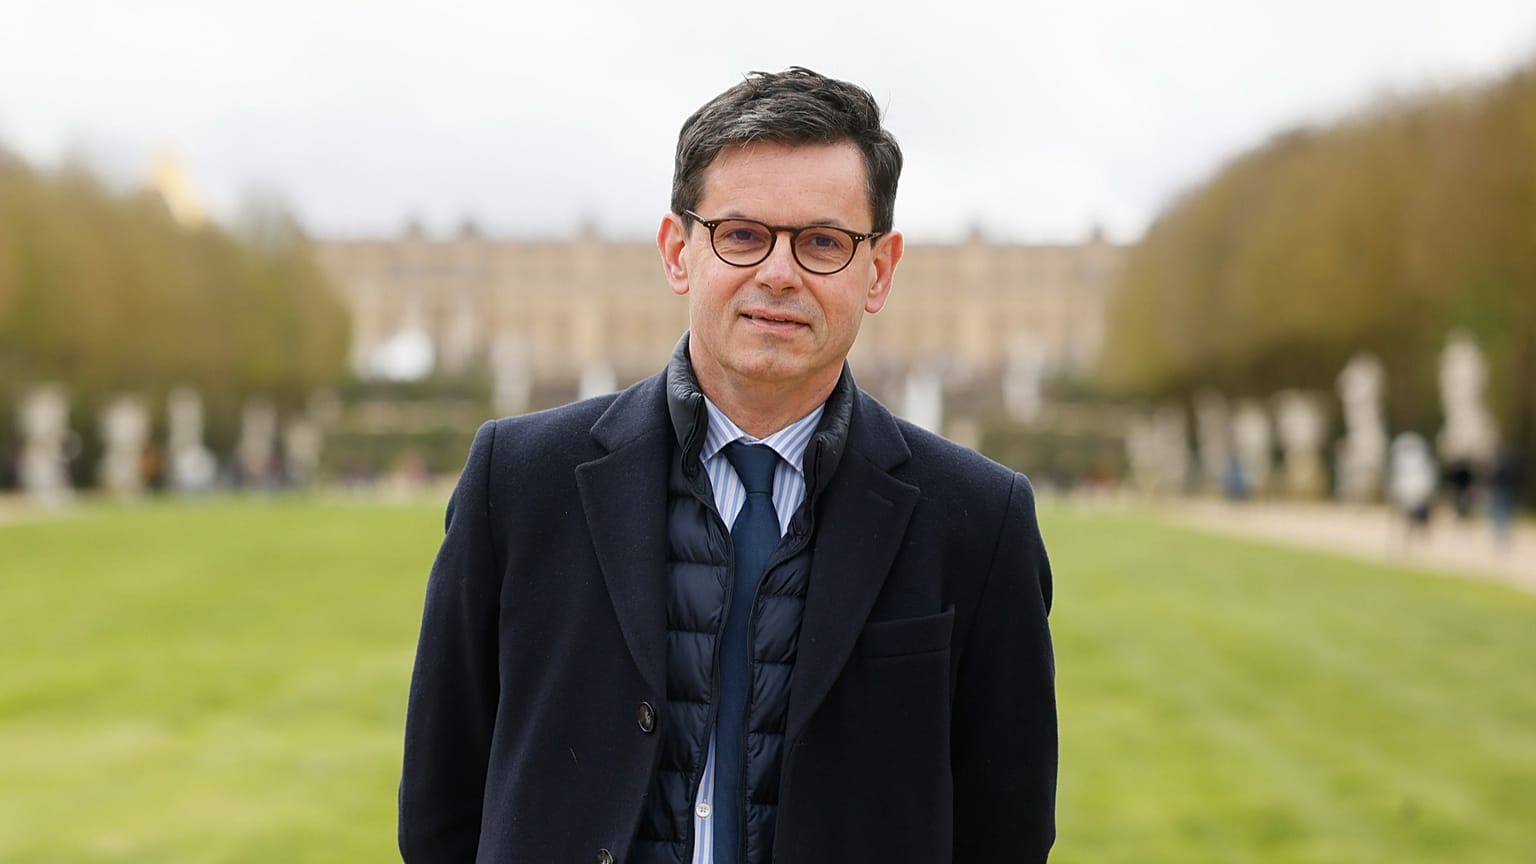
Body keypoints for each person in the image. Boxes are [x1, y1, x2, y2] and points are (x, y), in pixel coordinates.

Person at [399, 67, 1057, 864]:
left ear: (877, 271)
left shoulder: (978, 522)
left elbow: (1007, 830)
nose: (778, 273)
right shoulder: (518, 482)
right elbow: (439, 812)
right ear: (679, 252)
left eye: (822, 242)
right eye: (742, 235)